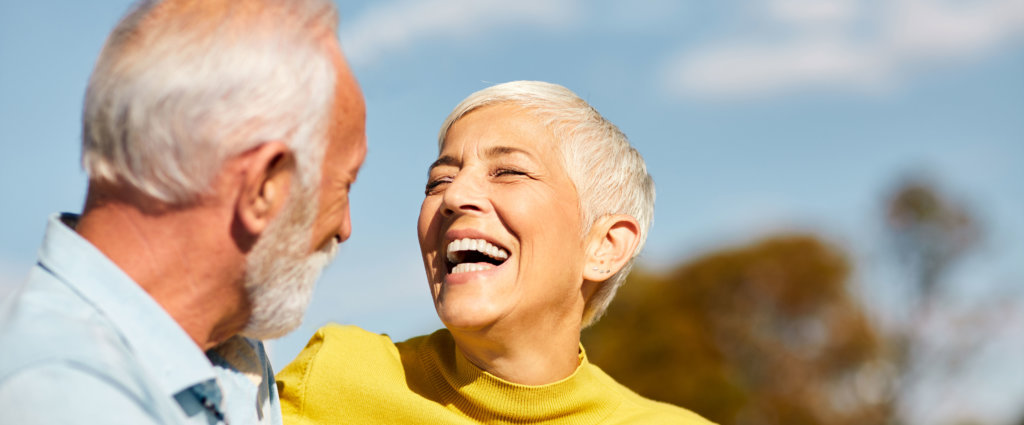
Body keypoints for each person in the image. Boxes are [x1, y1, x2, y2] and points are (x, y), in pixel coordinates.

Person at [0, 0, 366, 423]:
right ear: (263, 187)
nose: (345, 227)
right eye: (345, 185)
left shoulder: (227, 351)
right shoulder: (70, 399)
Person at [277, 81, 713, 424]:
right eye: (438, 181)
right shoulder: (335, 374)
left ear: (605, 246)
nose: (454, 196)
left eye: (508, 171)